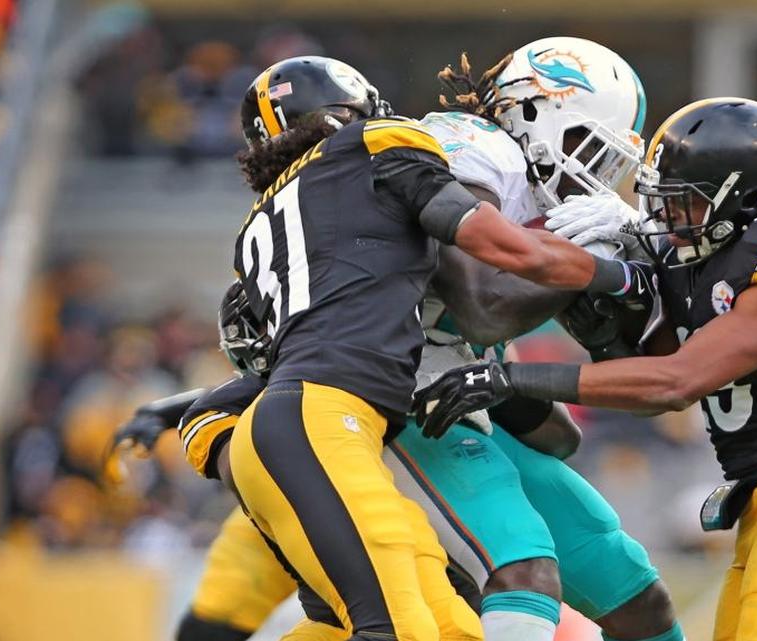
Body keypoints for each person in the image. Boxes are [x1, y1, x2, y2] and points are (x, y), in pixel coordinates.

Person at [416, 97, 757, 641]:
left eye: (686, 203)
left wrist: (509, 379)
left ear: (748, 199)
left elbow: (677, 381)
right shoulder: (699, 257)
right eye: (663, 201)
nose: (667, 219)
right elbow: (631, 347)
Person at [226, 54, 649, 641]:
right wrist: (601, 262)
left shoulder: (274, 224)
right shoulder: (398, 145)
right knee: (454, 601)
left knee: (614, 583)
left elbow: (555, 429)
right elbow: (485, 300)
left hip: (319, 414)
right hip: (358, 407)